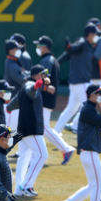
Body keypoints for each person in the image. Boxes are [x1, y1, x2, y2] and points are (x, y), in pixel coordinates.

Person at [57, 85, 101, 201]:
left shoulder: (91, 108)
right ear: (91, 95)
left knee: (93, 186)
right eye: (98, 94)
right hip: (90, 152)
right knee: (98, 186)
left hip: (89, 153)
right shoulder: (87, 109)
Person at [7, 66, 53, 197]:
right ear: (38, 75)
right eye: (43, 74)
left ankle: (18, 189)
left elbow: (11, 106)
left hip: (24, 129)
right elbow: (31, 91)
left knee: (24, 158)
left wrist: (39, 85)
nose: (45, 76)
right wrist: (39, 84)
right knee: (42, 155)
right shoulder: (30, 85)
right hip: (31, 129)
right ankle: (26, 186)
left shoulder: (25, 86)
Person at [33, 35, 76, 164]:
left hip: (45, 98)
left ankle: (66, 148)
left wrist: (42, 90)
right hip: (48, 98)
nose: (38, 48)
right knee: (38, 128)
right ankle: (36, 154)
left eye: (39, 45)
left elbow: (45, 81)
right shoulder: (52, 60)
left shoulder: (47, 61)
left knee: (44, 128)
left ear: (45, 47)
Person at [55, 23, 98, 134]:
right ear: (90, 34)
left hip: (77, 83)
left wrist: (56, 62)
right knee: (89, 107)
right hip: (81, 82)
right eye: (94, 34)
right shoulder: (82, 43)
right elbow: (71, 49)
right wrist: (69, 47)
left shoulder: (87, 45)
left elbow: (69, 53)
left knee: (71, 110)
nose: (95, 36)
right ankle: (89, 133)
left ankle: (55, 133)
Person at [3, 39, 28, 132]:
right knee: (10, 129)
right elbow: (21, 80)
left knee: (16, 128)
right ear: (11, 50)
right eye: (16, 49)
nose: (19, 50)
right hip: (12, 101)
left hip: (15, 100)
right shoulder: (11, 64)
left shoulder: (14, 61)